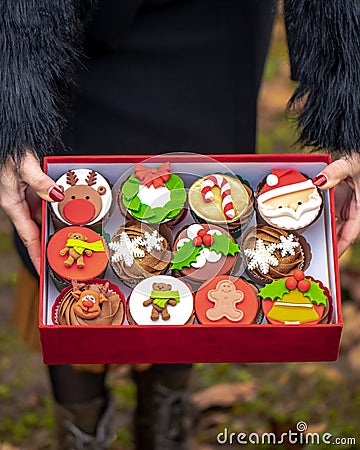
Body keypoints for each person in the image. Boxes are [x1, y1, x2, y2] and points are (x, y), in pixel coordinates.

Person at [0, 1, 359, 449]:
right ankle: (80, 426)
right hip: (58, 22)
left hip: (216, 26)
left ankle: (163, 418)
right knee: (70, 232)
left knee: (209, 206)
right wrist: (13, 112)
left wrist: (348, 110)